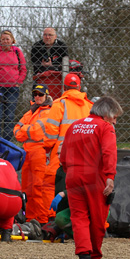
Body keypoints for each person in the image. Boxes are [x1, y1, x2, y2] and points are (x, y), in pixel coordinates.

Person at [60, 96, 123, 259]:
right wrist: (110, 177)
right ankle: (94, 258)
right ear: (106, 114)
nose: (115, 121)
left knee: (79, 218)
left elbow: (63, 156)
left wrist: (70, 170)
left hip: (73, 176)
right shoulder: (105, 128)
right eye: (114, 117)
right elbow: (109, 153)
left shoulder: (74, 126)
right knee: (97, 218)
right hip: (95, 178)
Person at [41, 72, 93, 224]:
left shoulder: (59, 104)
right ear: (79, 87)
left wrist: (47, 148)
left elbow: (51, 132)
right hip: (84, 156)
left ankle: (51, 221)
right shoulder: (89, 105)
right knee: (79, 187)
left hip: (61, 154)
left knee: (52, 185)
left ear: (64, 87)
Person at [14, 84, 53, 225]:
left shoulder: (49, 112)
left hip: (40, 152)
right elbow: (16, 131)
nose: (37, 97)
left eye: (40, 94)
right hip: (27, 152)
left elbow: (35, 132)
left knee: (38, 187)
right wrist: (26, 130)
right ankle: (30, 219)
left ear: (46, 96)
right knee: (26, 189)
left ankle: (42, 220)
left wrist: (24, 130)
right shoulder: (31, 112)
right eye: (35, 94)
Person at [0, 30, 27, 141]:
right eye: (3, 39)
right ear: (0, 40)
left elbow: (23, 68)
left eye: (7, 39)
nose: (5, 41)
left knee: (9, 116)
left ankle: (7, 141)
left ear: (12, 41)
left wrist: (19, 81)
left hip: (13, 88)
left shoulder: (17, 52)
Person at [30, 27, 68, 98]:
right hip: (40, 76)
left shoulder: (62, 46)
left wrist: (52, 65)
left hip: (57, 77)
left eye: (50, 35)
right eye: (45, 35)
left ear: (55, 37)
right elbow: (34, 61)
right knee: (38, 96)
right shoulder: (36, 46)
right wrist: (42, 65)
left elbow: (65, 62)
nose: (47, 37)